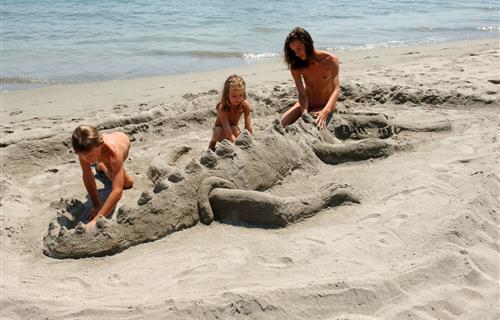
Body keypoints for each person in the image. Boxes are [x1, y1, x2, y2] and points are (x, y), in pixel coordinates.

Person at [71, 125, 134, 225]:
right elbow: (88, 176)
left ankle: (101, 165)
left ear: (100, 145)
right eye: (80, 156)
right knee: (89, 157)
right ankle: (100, 164)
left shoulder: (114, 153)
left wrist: (97, 219)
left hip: (119, 141)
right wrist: (96, 205)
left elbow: (117, 190)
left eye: (89, 156)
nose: (86, 160)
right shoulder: (84, 149)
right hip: (99, 149)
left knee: (127, 183)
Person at [280, 27, 340, 129]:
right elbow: (302, 94)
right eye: (293, 51)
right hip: (306, 104)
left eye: (299, 49)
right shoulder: (296, 66)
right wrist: (304, 113)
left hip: (325, 106)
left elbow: (336, 89)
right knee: (280, 124)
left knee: (314, 126)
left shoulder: (331, 60)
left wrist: (325, 111)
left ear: (307, 43)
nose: (297, 54)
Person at [208, 74, 254, 151]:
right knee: (217, 131)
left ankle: (231, 142)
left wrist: (249, 138)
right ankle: (211, 146)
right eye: (234, 96)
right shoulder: (222, 107)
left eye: (240, 95)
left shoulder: (245, 105)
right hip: (221, 132)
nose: (238, 98)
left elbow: (248, 126)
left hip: (233, 129)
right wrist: (235, 143)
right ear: (227, 94)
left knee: (234, 129)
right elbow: (226, 128)